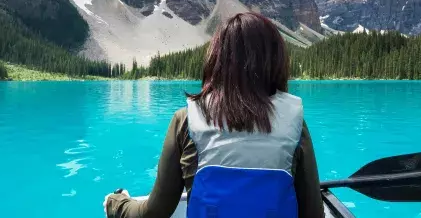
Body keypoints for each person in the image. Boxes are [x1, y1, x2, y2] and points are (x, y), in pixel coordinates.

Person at [103, 12, 325, 218]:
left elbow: (154, 212)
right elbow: (313, 214)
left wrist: (118, 203)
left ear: (216, 60)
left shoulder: (186, 120)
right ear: (275, 62)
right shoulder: (295, 124)